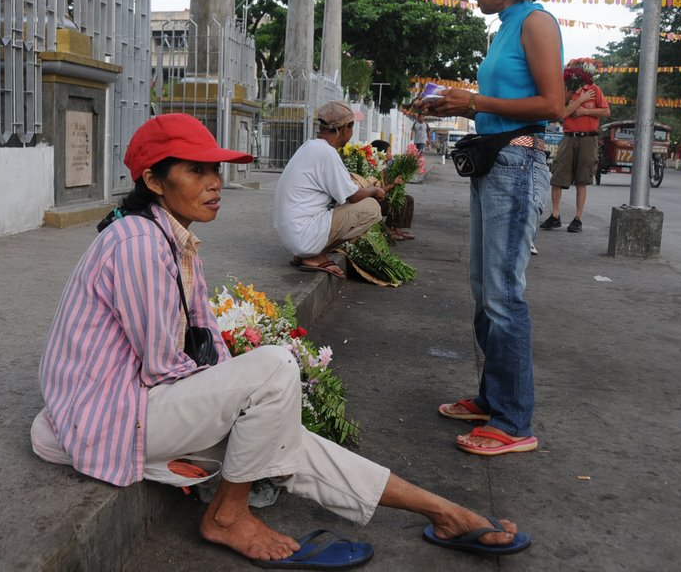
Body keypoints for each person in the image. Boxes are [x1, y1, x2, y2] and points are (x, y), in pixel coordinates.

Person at [30, 112, 532, 567]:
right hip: (110, 416)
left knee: (279, 429)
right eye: (195, 171)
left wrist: (249, 414)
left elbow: (204, 336)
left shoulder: (170, 235)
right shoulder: (139, 244)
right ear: (153, 180)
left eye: (215, 171)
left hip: (135, 403)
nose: (214, 184)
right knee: (274, 370)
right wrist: (242, 403)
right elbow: (165, 367)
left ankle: (442, 510)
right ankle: (228, 515)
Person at [420, 0, 561, 456]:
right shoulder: (504, 26)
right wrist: (455, 104)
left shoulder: (536, 22)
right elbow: (499, 100)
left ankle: (513, 422)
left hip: (520, 163)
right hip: (496, 161)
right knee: (484, 287)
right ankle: (492, 396)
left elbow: (551, 104)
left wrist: (472, 102)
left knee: (503, 294)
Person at [273, 101, 385, 279]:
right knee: (371, 208)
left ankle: (308, 252)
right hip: (302, 235)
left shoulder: (311, 146)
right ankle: (314, 255)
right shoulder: (326, 152)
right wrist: (373, 191)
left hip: (293, 235)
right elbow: (353, 196)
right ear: (346, 129)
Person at [540, 59, 610, 233]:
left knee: (582, 180)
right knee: (558, 177)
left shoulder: (594, 90)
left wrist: (585, 111)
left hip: (588, 139)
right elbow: (562, 113)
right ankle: (555, 215)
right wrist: (579, 101)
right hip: (568, 137)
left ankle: (578, 218)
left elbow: (606, 111)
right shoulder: (567, 92)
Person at [369, 139, 416, 241]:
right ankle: (389, 229)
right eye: (389, 151)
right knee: (400, 201)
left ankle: (398, 228)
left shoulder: (386, 168)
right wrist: (393, 184)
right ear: (382, 153)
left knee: (409, 199)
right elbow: (378, 191)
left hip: (384, 198)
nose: (391, 154)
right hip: (376, 202)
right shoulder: (373, 169)